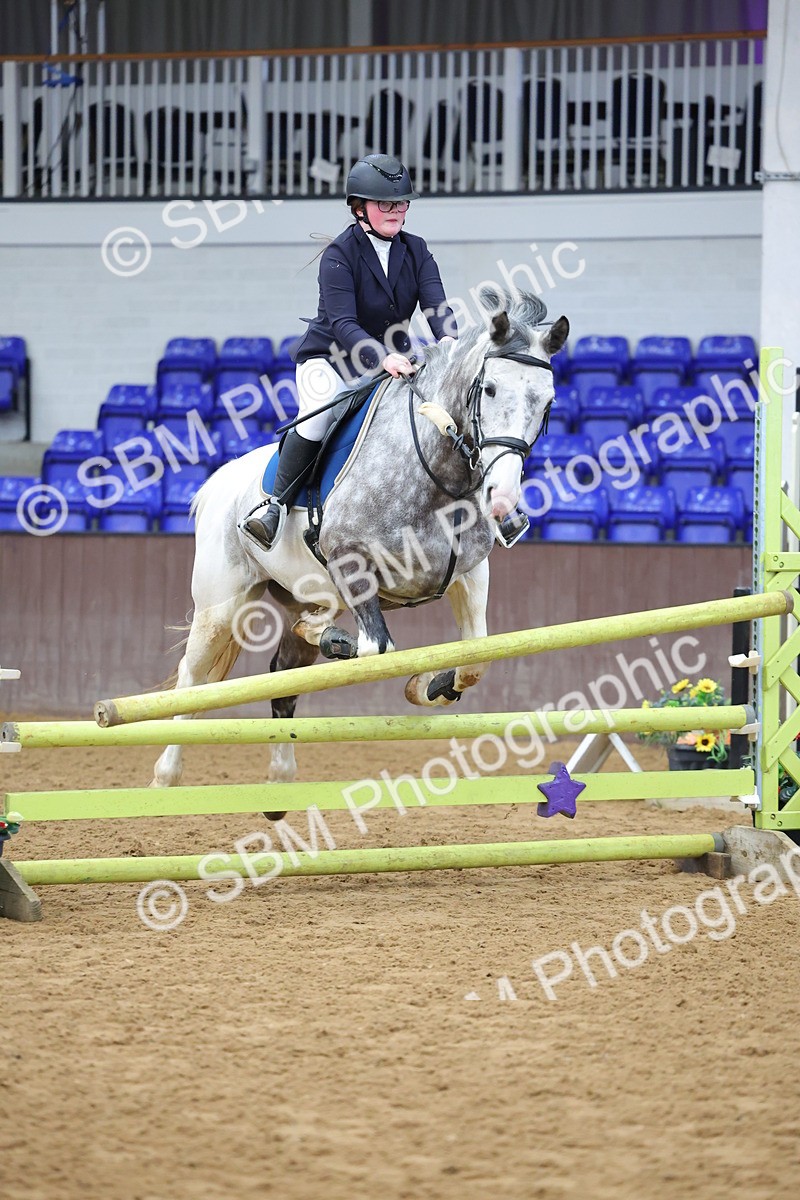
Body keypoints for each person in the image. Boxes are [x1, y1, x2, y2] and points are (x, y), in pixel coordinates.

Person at [242, 152, 457, 552]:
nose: (396, 210)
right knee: (318, 416)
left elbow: (436, 308)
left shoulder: (417, 249)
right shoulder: (340, 255)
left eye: (401, 202)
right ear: (359, 208)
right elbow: (343, 323)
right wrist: (384, 357)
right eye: (385, 203)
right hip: (331, 359)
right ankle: (274, 506)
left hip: (391, 363)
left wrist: (450, 345)